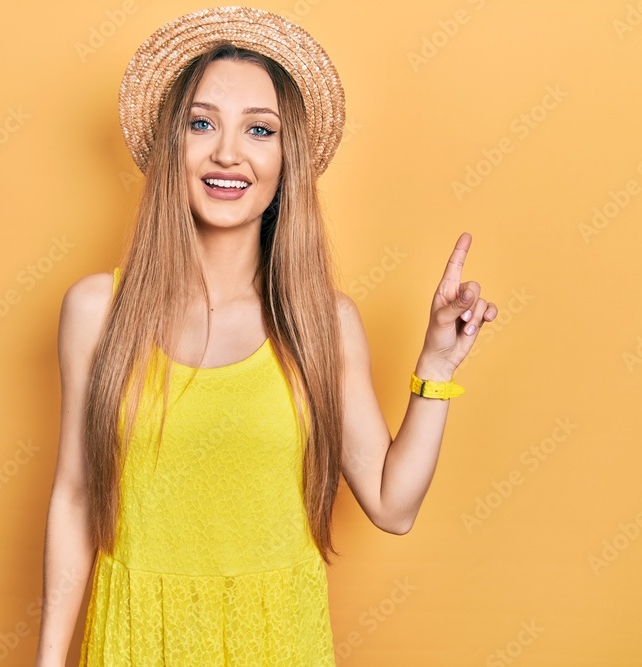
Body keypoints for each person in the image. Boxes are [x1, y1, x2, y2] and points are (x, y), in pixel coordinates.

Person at [34, 6, 498, 665]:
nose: (228, 151)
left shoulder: (323, 324)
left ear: (287, 160)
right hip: (138, 639)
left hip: (277, 642)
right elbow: (77, 495)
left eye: (260, 129)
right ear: (173, 145)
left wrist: (436, 363)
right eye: (202, 123)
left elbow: (394, 505)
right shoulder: (96, 312)